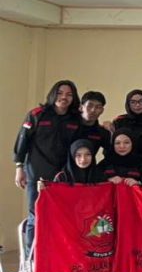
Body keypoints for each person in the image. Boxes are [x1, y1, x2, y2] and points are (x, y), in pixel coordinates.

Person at [14, 79, 81, 249]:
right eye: (60, 93)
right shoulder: (37, 114)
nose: (64, 97)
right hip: (36, 173)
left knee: (60, 217)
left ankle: (54, 254)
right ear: (52, 94)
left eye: (69, 94)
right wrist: (19, 168)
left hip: (63, 176)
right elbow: (22, 141)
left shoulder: (76, 119)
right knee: (36, 215)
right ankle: (33, 257)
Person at [75, 91, 110, 158]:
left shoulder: (102, 132)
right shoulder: (69, 126)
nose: (93, 110)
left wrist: (112, 132)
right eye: (90, 106)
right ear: (81, 107)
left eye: (98, 107)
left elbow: (111, 152)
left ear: (102, 110)